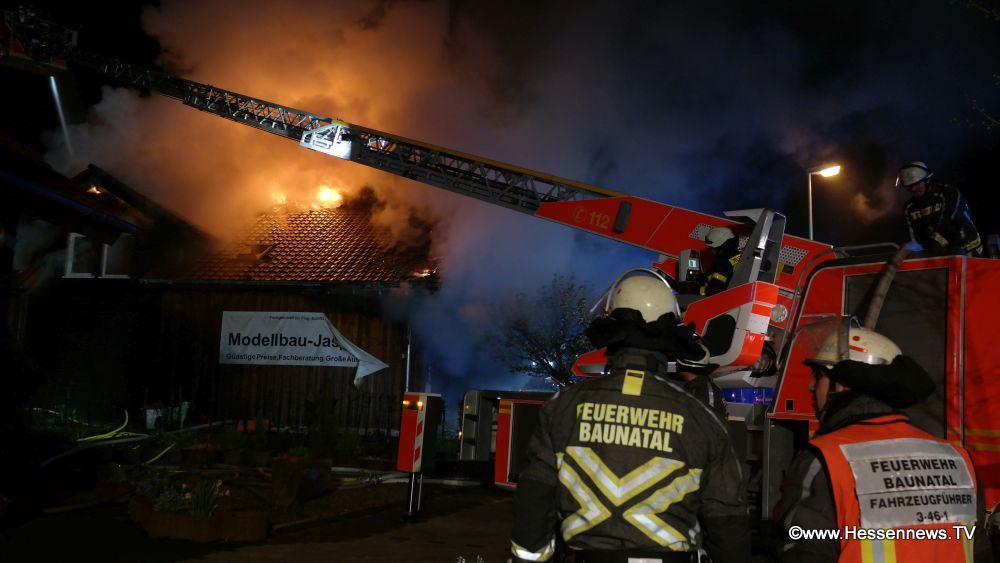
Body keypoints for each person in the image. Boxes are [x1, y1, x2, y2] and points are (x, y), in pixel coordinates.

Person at [510, 268, 749, 563]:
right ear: (669, 335)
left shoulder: (563, 407)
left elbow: (535, 497)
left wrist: (530, 558)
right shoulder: (701, 417)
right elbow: (726, 519)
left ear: (612, 330)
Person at [777, 320, 993, 562]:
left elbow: (804, 554)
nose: (811, 386)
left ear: (843, 384)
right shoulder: (960, 460)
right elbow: (980, 551)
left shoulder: (824, 459)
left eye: (818, 376)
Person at [898, 161, 984, 256]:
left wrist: (931, 247)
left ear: (927, 180)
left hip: (968, 249)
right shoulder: (909, 208)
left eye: (917, 184)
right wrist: (913, 250)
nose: (913, 189)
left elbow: (950, 223)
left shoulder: (950, 194)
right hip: (940, 254)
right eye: (909, 186)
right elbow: (914, 239)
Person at [700, 227, 741, 296]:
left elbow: (713, 292)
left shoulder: (724, 263)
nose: (710, 251)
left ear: (720, 247)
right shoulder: (739, 256)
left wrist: (694, 289)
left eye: (711, 248)